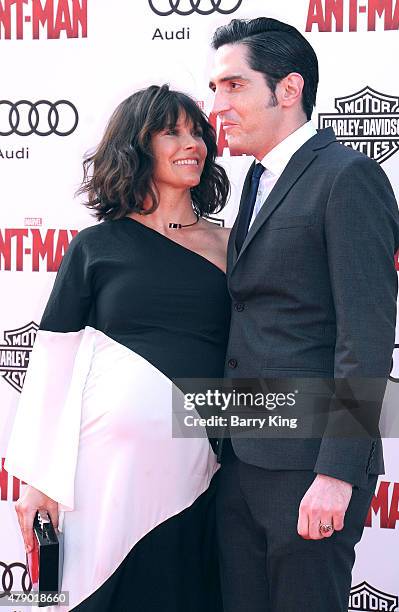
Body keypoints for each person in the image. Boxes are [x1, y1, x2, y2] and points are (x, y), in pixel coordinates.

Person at [6, 84, 231, 611]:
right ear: (136, 146)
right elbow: (53, 366)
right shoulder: (95, 247)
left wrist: (338, 413)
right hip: (106, 470)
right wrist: (38, 479)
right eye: (172, 131)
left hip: (203, 463)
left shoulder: (231, 245)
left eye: (197, 130)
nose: (192, 142)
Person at [209, 17, 399, 612]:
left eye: (234, 86)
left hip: (309, 467)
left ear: (287, 89)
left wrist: (338, 474)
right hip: (240, 457)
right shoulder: (258, 180)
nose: (218, 106)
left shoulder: (347, 177)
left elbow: (365, 341)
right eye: (215, 89)